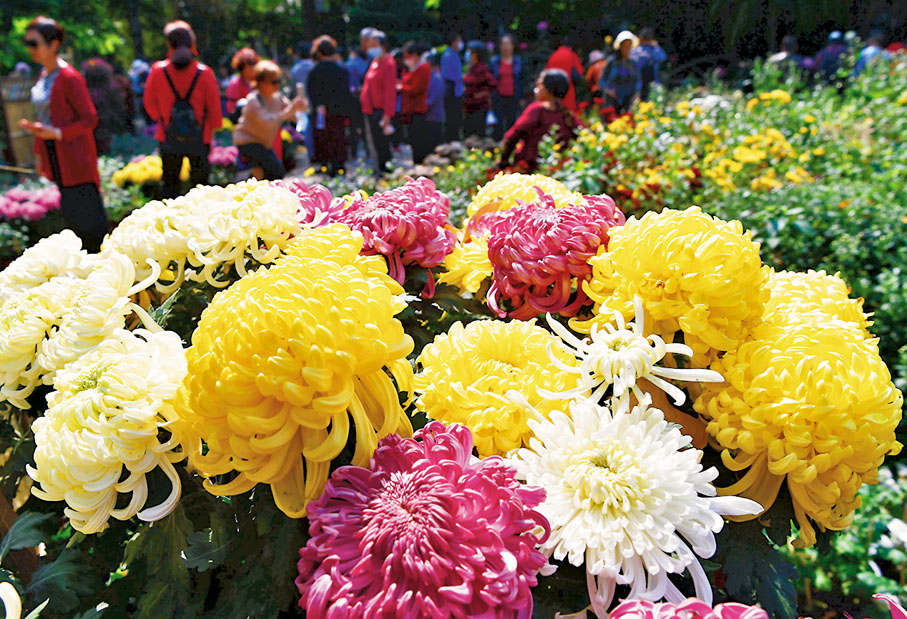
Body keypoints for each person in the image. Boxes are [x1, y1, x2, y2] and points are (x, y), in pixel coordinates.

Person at [19, 16, 108, 252]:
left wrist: (56, 133)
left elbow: (90, 119)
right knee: (72, 216)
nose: (30, 49)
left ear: (53, 45)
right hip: (55, 155)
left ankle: (106, 267)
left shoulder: (70, 77)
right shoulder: (44, 76)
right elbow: (45, 119)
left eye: (34, 43)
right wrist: (40, 152)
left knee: (89, 220)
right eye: (27, 43)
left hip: (76, 159)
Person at [143, 21, 222, 198]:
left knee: (170, 187)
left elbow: (148, 103)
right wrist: (212, 127)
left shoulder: (158, 70)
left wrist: (163, 119)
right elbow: (215, 110)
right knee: (201, 189)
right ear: (192, 45)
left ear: (169, 45)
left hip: (168, 136)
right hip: (200, 137)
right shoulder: (204, 72)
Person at [233, 60, 306, 180]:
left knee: (270, 172)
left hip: (263, 142)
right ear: (261, 83)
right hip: (248, 141)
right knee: (275, 170)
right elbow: (268, 121)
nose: (277, 85)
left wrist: (299, 106)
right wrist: (291, 109)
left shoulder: (277, 97)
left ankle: (250, 185)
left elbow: (292, 114)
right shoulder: (253, 100)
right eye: (274, 82)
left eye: (279, 81)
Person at [498, 69, 577, 172]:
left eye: (539, 85)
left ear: (549, 90)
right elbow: (585, 135)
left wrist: (503, 162)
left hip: (529, 170)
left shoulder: (537, 110)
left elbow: (512, 136)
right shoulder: (567, 115)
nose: (536, 89)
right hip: (556, 171)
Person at [307, 36, 350, 176]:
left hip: (321, 111)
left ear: (318, 53)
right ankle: (340, 165)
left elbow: (312, 92)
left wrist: (319, 105)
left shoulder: (315, 72)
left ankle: (326, 164)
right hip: (339, 110)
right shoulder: (341, 71)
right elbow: (346, 92)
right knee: (339, 136)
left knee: (324, 138)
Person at [360, 32, 396, 174]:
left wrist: (387, 115)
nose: (371, 48)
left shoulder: (388, 63)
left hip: (380, 110)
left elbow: (389, 91)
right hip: (370, 109)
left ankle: (386, 172)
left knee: (382, 143)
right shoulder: (375, 62)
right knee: (375, 142)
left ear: (383, 45)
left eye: (375, 45)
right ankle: (379, 170)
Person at [81, 57, 125, 154]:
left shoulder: (85, 91)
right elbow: (119, 107)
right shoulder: (111, 88)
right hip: (104, 127)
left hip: (97, 129)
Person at [399, 41, 432, 163]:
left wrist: (401, 88)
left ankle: (420, 165)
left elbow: (417, 89)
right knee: (413, 139)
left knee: (418, 140)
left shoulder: (423, 67)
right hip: (410, 110)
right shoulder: (414, 67)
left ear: (414, 55)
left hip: (418, 109)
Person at [490, 34, 523, 140]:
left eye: (508, 44)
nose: (505, 47)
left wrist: (522, 97)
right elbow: (490, 80)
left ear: (513, 46)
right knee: (498, 122)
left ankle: (510, 145)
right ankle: (497, 146)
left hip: (513, 96)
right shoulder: (494, 61)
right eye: (503, 44)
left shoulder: (518, 61)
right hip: (498, 97)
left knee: (512, 121)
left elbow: (522, 80)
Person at [600, 30, 641, 114]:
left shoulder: (633, 63)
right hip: (612, 100)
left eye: (629, 46)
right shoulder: (612, 62)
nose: (627, 49)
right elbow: (602, 81)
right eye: (625, 46)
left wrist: (637, 94)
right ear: (620, 47)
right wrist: (609, 91)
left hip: (628, 100)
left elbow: (638, 80)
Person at [462, 41, 496, 138]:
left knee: (477, 135)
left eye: (470, 52)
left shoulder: (482, 68)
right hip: (469, 108)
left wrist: (481, 94)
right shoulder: (470, 68)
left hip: (479, 108)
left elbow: (492, 84)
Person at [545, 34, 584, 112]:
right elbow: (579, 74)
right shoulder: (572, 55)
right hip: (567, 92)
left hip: (553, 93)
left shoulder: (554, 55)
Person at [345, 46, 370, 159]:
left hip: (350, 99)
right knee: (365, 127)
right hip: (364, 98)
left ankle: (353, 154)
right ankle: (369, 152)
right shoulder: (366, 65)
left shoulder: (347, 64)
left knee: (352, 128)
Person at [631, 28, 667, 101]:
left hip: (651, 80)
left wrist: (656, 46)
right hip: (639, 81)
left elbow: (663, 58)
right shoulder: (636, 49)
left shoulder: (653, 49)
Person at [441, 32, 465, 142]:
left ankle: (454, 138)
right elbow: (449, 75)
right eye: (459, 40)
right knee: (452, 117)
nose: (460, 43)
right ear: (454, 42)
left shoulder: (454, 54)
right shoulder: (448, 55)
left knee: (456, 117)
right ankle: (450, 139)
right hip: (451, 90)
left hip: (456, 89)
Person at [225, 47, 260, 116]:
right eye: (250, 63)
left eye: (254, 63)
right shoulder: (235, 84)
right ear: (242, 66)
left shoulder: (260, 82)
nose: (253, 66)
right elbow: (231, 110)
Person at [424, 53, 445, 158]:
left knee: (434, 149)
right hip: (430, 117)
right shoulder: (429, 76)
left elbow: (432, 100)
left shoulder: (436, 77)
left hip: (434, 117)